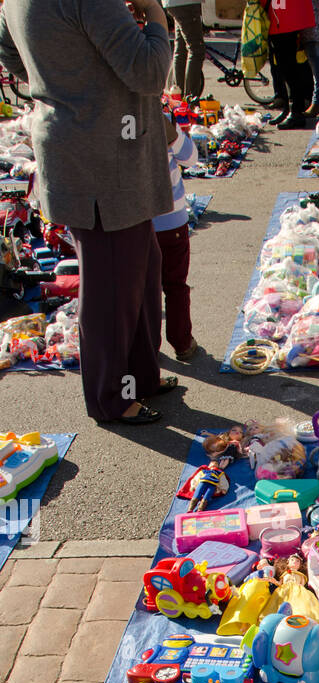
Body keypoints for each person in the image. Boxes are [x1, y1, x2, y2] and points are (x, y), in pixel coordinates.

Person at [0, 0, 176, 426]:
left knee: (139, 269)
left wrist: (62, 83)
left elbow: (9, 52)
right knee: (113, 286)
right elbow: (149, 73)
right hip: (103, 161)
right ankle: (111, 398)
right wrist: (155, 13)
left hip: (87, 149)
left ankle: (139, 378)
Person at [153, 113, 199, 362]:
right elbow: (191, 158)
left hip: (136, 222)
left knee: (144, 289)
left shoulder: (115, 116)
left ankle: (148, 348)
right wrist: (175, 129)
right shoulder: (161, 122)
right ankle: (182, 342)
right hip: (171, 220)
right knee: (175, 285)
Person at [263, 0, 314, 129]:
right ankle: (288, 110)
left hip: (283, 18)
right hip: (283, 17)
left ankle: (295, 113)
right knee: (284, 69)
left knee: (289, 70)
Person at [163, 0, 204, 98]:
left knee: (181, 48)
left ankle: (178, 95)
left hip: (175, 4)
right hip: (186, 4)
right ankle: (190, 97)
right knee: (196, 50)